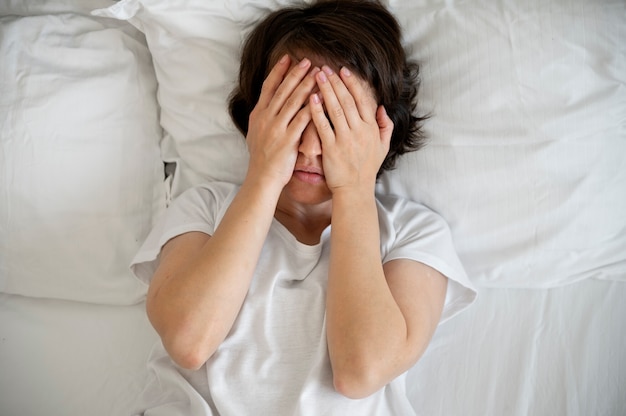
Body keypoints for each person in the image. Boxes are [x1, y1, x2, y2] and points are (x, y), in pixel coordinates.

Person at [130, 0, 475, 414]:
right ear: (257, 119)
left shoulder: (414, 233)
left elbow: (361, 372)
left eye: (336, 123)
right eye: (293, 117)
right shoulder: (204, 209)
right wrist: (263, 176)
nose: (311, 149)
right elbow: (189, 342)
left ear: (382, 129)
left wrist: (353, 189)